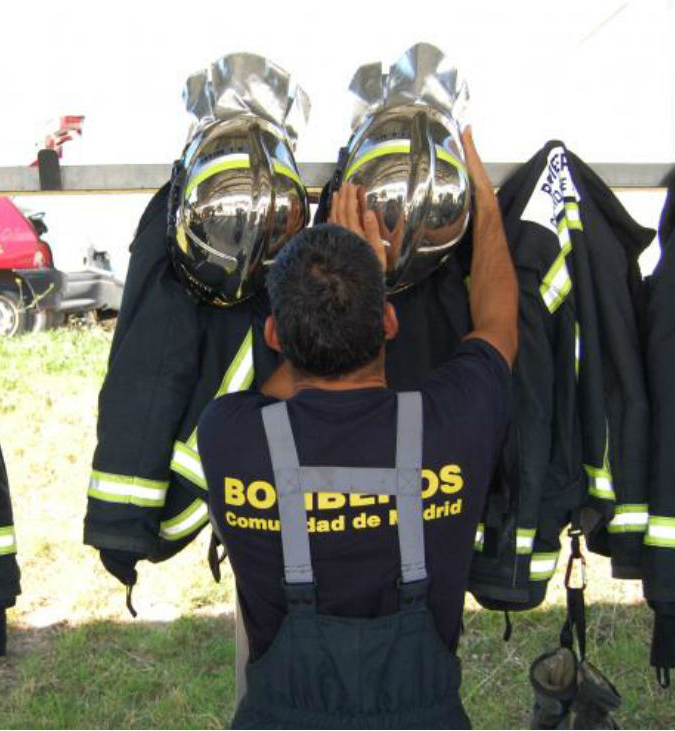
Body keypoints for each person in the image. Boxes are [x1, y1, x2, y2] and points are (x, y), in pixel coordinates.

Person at [198, 127, 517, 728]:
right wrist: (486, 204)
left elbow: (280, 388)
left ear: (274, 336)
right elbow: (498, 322)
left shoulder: (228, 438)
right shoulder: (457, 421)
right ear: (390, 322)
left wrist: (335, 284)